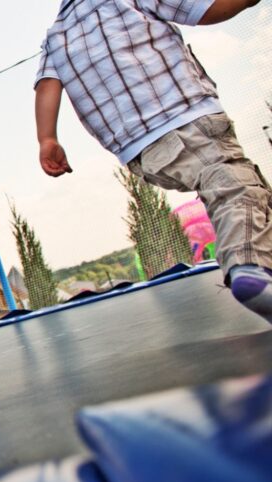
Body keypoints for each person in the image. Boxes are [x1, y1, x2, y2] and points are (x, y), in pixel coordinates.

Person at [34, 0, 271, 322]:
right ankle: (250, 265)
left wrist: (47, 139)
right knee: (237, 188)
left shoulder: (56, 34)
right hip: (184, 119)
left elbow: (47, 86)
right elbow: (205, 10)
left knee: (235, 193)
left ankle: (259, 267)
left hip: (141, 153)